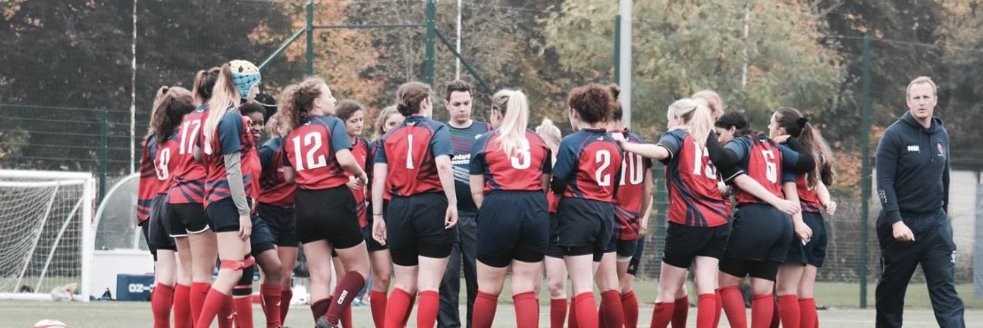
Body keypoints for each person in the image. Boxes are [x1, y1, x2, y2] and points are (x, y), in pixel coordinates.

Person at [617, 98, 726, 328]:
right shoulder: (709, 141)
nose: (667, 125)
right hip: (717, 221)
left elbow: (661, 151)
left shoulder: (678, 136)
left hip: (688, 220)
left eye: (669, 120)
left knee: (666, 290)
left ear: (678, 118)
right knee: (707, 287)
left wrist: (626, 146)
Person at [275, 78, 371, 328]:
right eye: (329, 96)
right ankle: (330, 319)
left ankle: (324, 321)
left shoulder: (292, 134)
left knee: (319, 277)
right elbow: (345, 159)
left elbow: (287, 176)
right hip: (334, 200)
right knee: (359, 269)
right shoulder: (332, 124)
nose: (334, 100)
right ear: (317, 102)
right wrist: (361, 175)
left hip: (305, 204)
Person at [707, 111, 814, 328]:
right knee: (763, 290)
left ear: (733, 130)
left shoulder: (742, 143)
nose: (719, 140)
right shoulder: (774, 147)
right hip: (782, 222)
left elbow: (723, 158)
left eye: (720, 134)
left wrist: (706, 132)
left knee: (726, 283)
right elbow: (807, 162)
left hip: (755, 217)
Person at [875, 76, 964, 328]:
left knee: (946, 293)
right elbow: (883, 183)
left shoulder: (941, 134)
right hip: (902, 225)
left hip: (935, 224)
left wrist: (943, 219)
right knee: (890, 295)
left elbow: (943, 180)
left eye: (926, 97)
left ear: (935, 100)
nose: (922, 102)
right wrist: (896, 221)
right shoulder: (894, 135)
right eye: (917, 98)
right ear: (908, 101)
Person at [372, 81, 459, 328]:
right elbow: (443, 165)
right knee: (429, 284)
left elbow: (379, 178)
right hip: (431, 206)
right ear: (425, 103)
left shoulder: (388, 136)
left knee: (404, 283)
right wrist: (452, 202)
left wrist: (378, 215)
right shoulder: (437, 129)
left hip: (399, 209)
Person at [468, 90, 551, 328]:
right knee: (525, 286)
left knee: (488, 288)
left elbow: (476, 191)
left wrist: (492, 214)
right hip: (533, 208)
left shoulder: (484, 141)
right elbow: (544, 185)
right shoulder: (540, 142)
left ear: (497, 112)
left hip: (498, 206)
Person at [195, 60, 263, 328]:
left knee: (244, 262)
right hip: (227, 200)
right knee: (232, 269)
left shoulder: (213, 115)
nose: (258, 91)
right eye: (256, 84)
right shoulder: (232, 116)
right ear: (244, 85)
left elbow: (199, 155)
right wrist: (244, 211)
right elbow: (233, 169)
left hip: (214, 197)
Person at [550, 84, 623, 328]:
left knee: (582, 287)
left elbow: (558, 183)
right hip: (605, 214)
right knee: (592, 283)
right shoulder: (614, 145)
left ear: (575, 113)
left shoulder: (572, 142)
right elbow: (615, 185)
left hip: (578, 213)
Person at [166, 67, 229, 327]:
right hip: (197, 195)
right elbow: (203, 156)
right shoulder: (214, 118)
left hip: (176, 197)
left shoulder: (189, 118)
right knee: (205, 274)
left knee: (186, 274)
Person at [770, 107, 836, 328]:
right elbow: (818, 185)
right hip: (816, 221)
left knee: (785, 290)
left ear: (781, 129)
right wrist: (827, 203)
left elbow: (790, 190)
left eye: (772, 123)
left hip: (799, 219)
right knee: (804, 291)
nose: (769, 128)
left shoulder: (789, 156)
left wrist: (797, 222)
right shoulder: (813, 154)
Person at [143, 86, 196, 328]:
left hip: (157, 205)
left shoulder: (156, 138)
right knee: (189, 274)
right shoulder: (184, 138)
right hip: (178, 201)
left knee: (164, 275)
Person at [438, 79, 489, 328]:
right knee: (446, 280)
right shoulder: (439, 132)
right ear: (446, 104)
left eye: (466, 103)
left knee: (478, 279)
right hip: (446, 217)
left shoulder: (485, 131)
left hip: (476, 217)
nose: (462, 108)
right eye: (456, 103)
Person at [239, 102, 285, 328]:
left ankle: (274, 324)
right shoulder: (235, 147)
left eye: (260, 123)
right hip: (234, 217)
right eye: (251, 122)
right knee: (238, 274)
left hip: (254, 216)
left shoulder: (255, 148)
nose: (257, 127)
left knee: (275, 267)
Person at [256, 112, 298, 324]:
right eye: (290, 127)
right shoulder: (269, 151)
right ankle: (273, 323)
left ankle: (279, 321)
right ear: (278, 128)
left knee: (286, 279)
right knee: (270, 272)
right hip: (266, 212)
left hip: (290, 213)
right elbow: (253, 179)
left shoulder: (298, 148)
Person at [363, 105, 403, 327]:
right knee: (383, 276)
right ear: (382, 126)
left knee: (408, 281)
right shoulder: (373, 148)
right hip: (378, 213)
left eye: (400, 124)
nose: (395, 129)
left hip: (405, 211)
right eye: (391, 124)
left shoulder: (411, 145)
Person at [535, 118, 569, 328]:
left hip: (557, 224)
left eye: (547, 146)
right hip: (534, 222)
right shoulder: (531, 164)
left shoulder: (563, 166)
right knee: (530, 287)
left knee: (556, 285)